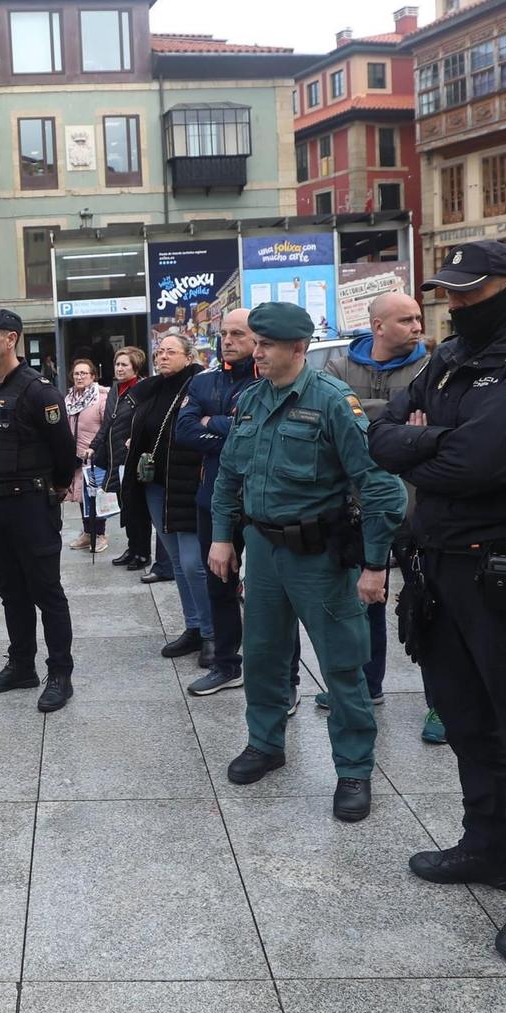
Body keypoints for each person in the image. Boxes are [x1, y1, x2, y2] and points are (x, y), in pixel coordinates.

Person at [369, 240, 506, 965]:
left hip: (505, 569)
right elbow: (381, 434)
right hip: (437, 566)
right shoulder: (453, 353)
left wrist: (427, 441)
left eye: (469, 291)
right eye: (449, 292)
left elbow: (477, 460)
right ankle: (489, 843)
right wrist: (424, 438)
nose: (456, 303)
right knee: (464, 719)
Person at [210, 303, 406, 823]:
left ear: (298, 349)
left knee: (342, 664)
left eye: (267, 346)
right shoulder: (251, 401)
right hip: (265, 552)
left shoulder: (333, 402)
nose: (257, 354)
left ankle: (354, 769)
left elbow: (380, 486)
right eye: (255, 343)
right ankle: (266, 743)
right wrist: (222, 539)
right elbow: (230, 475)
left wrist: (375, 564)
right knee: (264, 656)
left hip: (319, 556)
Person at [325, 292, 432, 715]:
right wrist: (400, 420)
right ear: (378, 326)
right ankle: (368, 687)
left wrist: (364, 415)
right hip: (359, 506)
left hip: (416, 507)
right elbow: (335, 423)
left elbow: (435, 424)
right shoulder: (339, 366)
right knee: (364, 602)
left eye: (418, 318)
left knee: (429, 605)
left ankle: (441, 702)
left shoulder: (431, 367)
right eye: (407, 319)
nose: (418, 326)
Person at [0, 308, 78, 710]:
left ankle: (60, 673)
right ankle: (21, 666)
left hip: (32, 503)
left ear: (10, 338)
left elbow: (64, 452)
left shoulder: (39, 390)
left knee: (46, 591)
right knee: (10, 592)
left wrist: (58, 486)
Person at [178, 307, 257, 696]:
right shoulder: (204, 383)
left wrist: (214, 423)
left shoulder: (266, 383)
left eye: (238, 334)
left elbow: (257, 432)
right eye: (224, 333)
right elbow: (185, 432)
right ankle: (227, 664)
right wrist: (227, 428)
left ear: (257, 339)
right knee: (218, 585)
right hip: (213, 499)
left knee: (269, 594)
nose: (227, 341)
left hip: (261, 503)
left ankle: (282, 678)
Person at [124, 334, 208, 660]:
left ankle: (214, 634)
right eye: (159, 352)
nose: (162, 357)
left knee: (193, 563)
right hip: (155, 485)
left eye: (170, 352)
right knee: (176, 560)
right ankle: (194, 628)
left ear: (188, 356)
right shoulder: (154, 388)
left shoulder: (199, 386)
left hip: (186, 484)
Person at [93, 346, 150, 570]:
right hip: (114, 457)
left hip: (131, 457)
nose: (119, 368)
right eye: (117, 364)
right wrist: (93, 446)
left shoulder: (143, 389)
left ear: (135, 367)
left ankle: (142, 552)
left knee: (137, 508)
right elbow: (107, 424)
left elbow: (146, 422)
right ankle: (132, 548)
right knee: (125, 505)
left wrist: (135, 439)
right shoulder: (115, 390)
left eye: (124, 364)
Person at [63, 359, 108, 552]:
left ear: (92, 376)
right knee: (82, 496)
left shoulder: (101, 398)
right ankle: (87, 533)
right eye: (76, 374)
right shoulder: (69, 399)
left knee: (95, 497)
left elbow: (107, 427)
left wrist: (96, 448)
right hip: (76, 457)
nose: (79, 377)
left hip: (95, 456)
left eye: (84, 373)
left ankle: (100, 535)